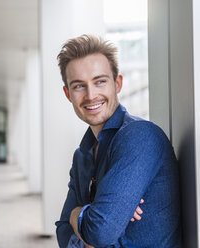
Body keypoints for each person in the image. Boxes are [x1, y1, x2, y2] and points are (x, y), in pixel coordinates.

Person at [55, 35, 181, 248]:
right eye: (78, 86)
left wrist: (77, 214)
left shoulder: (140, 137)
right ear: (68, 94)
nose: (91, 95)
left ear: (118, 83)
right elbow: (62, 233)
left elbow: (100, 232)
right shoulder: (81, 155)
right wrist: (92, 218)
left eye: (100, 81)